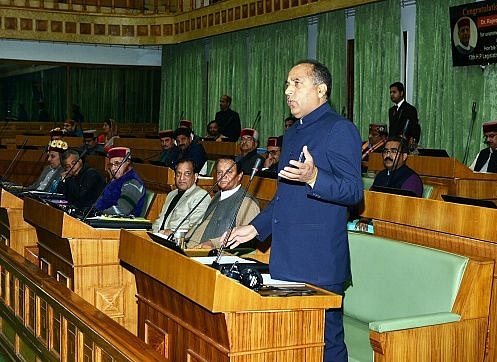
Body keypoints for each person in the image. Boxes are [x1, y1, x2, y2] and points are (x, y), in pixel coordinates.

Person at [222, 60, 363, 362]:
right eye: (287, 84)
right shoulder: (295, 133)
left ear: (321, 89)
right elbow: (285, 197)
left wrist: (314, 177)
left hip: (319, 262)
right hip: (285, 257)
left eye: (296, 83)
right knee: (291, 343)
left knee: (326, 345)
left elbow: (353, 192)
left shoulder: (340, 129)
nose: (288, 91)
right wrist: (256, 228)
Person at [185, 157, 260, 248]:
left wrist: (213, 243)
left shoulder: (247, 202)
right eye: (219, 172)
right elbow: (203, 226)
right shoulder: (216, 196)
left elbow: (247, 241)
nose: (223, 176)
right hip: (193, 250)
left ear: (239, 175)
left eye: (229, 172)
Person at [152, 158, 211, 235]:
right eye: (178, 174)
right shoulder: (171, 194)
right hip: (159, 237)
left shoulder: (201, 196)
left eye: (187, 174)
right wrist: (154, 233)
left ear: (195, 177)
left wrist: (172, 233)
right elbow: (160, 221)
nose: (181, 178)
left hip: (177, 241)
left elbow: (196, 228)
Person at [95, 147, 146, 216]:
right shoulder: (115, 181)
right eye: (111, 165)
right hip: (106, 219)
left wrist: (98, 213)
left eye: (117, 163)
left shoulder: (133, 182)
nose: (113, 168)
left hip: (123, 224)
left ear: (128, 163)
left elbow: (122, 210)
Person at [388, 82, 421, 147]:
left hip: (404, 145)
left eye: (394, 92)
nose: (391, 94)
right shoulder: (391, 110)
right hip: (392, 145)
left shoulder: (410, 109)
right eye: (390, 92)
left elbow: (414, 129)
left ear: (401, 93)